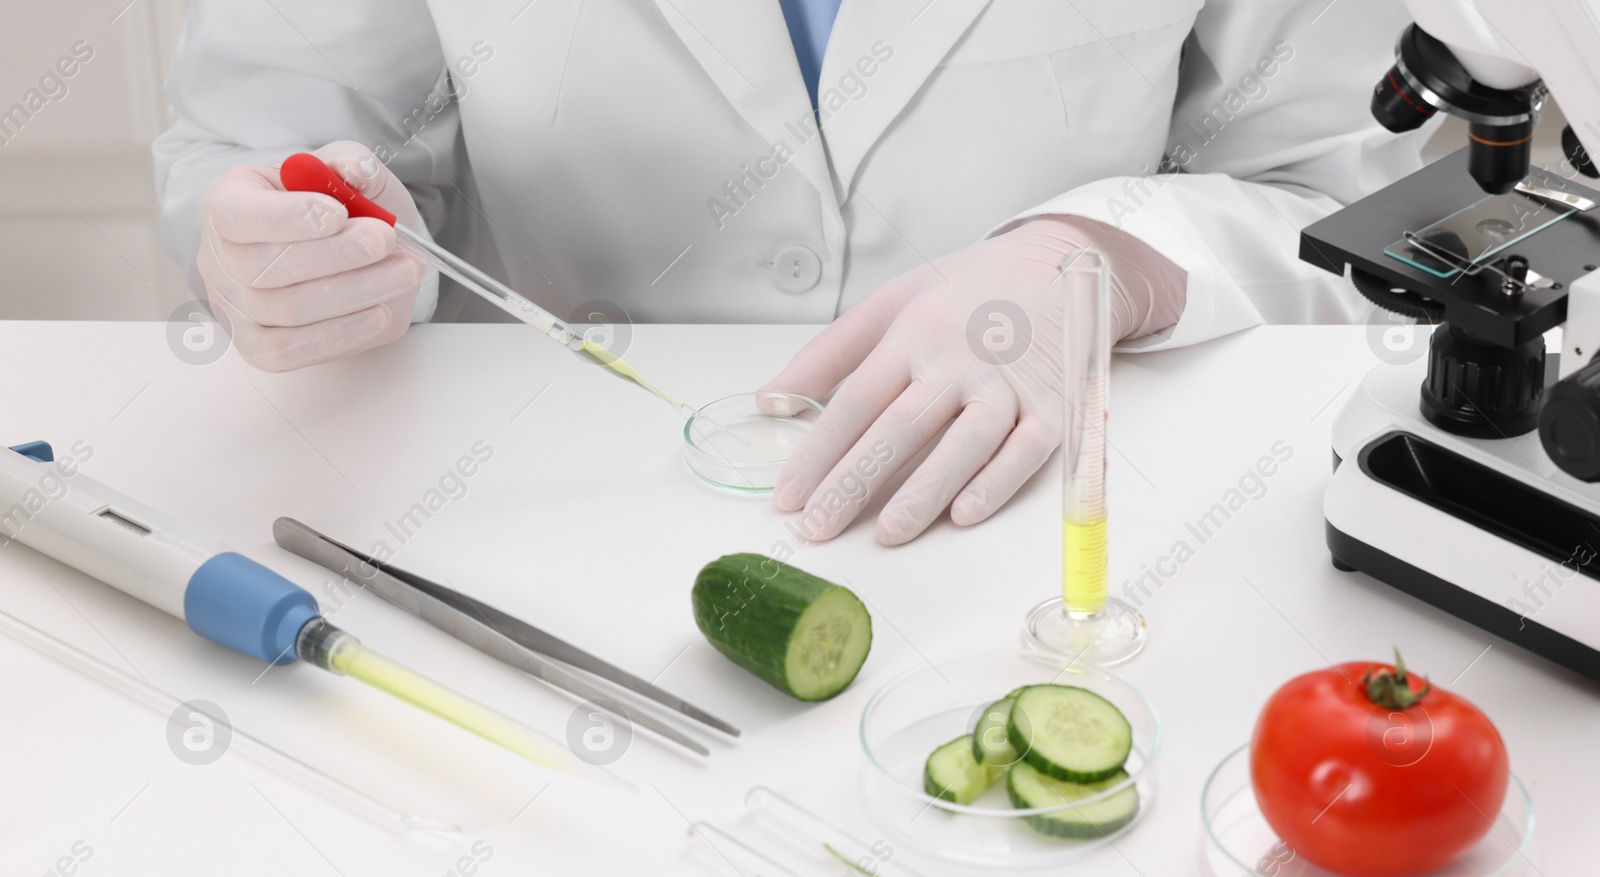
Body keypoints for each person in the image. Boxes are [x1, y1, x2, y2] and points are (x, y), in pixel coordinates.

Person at [155, 0, 1433, 544]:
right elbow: (269, 134)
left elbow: (1362, 214)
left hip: (1063, 528)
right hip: (521, 512)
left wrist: (1095, 261)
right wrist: (286, 249)